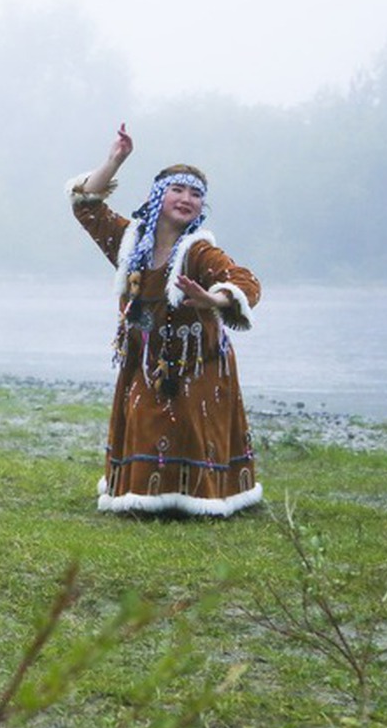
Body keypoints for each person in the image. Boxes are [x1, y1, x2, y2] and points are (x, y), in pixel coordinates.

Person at [68, 122, 262, 516]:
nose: (187, 198)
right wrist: (115, 160)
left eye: (196, 194)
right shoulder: (129, 241)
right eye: (178, 189)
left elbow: (247, 282)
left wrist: (213, 298)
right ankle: (143, 499)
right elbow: (85, 203)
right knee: (145, 418)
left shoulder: (200, 251)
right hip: (143, 358)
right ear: (158, 195)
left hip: (197, 362)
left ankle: (201, 500)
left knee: (190, 428)